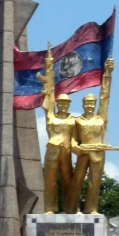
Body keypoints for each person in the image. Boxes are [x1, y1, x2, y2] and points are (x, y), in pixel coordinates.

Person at [64, 58, 114, 214]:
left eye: (92, 103)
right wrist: (76, 148)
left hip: (98, 152)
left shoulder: (101, 118)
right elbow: (72, 139)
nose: (90, 106)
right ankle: (71, 208)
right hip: (83, 153)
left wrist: (107, 75)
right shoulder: (77, 121)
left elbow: (105, 96)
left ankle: (91, 209)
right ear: (83, 105)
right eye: (87, 103)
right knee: (76, 181)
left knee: (95, 182)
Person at [37, 45, 75, 213]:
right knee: (50, 180)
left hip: (66, 152)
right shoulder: (51, 115)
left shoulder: (73, 120)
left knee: (69, 180)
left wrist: (77, 147)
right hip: (52, 150)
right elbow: (49, 96)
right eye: (61, 103)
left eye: (66, 104)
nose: (64, 106)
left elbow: (74, 137)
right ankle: (50, 208)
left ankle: (70, 208)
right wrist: (49, 69)